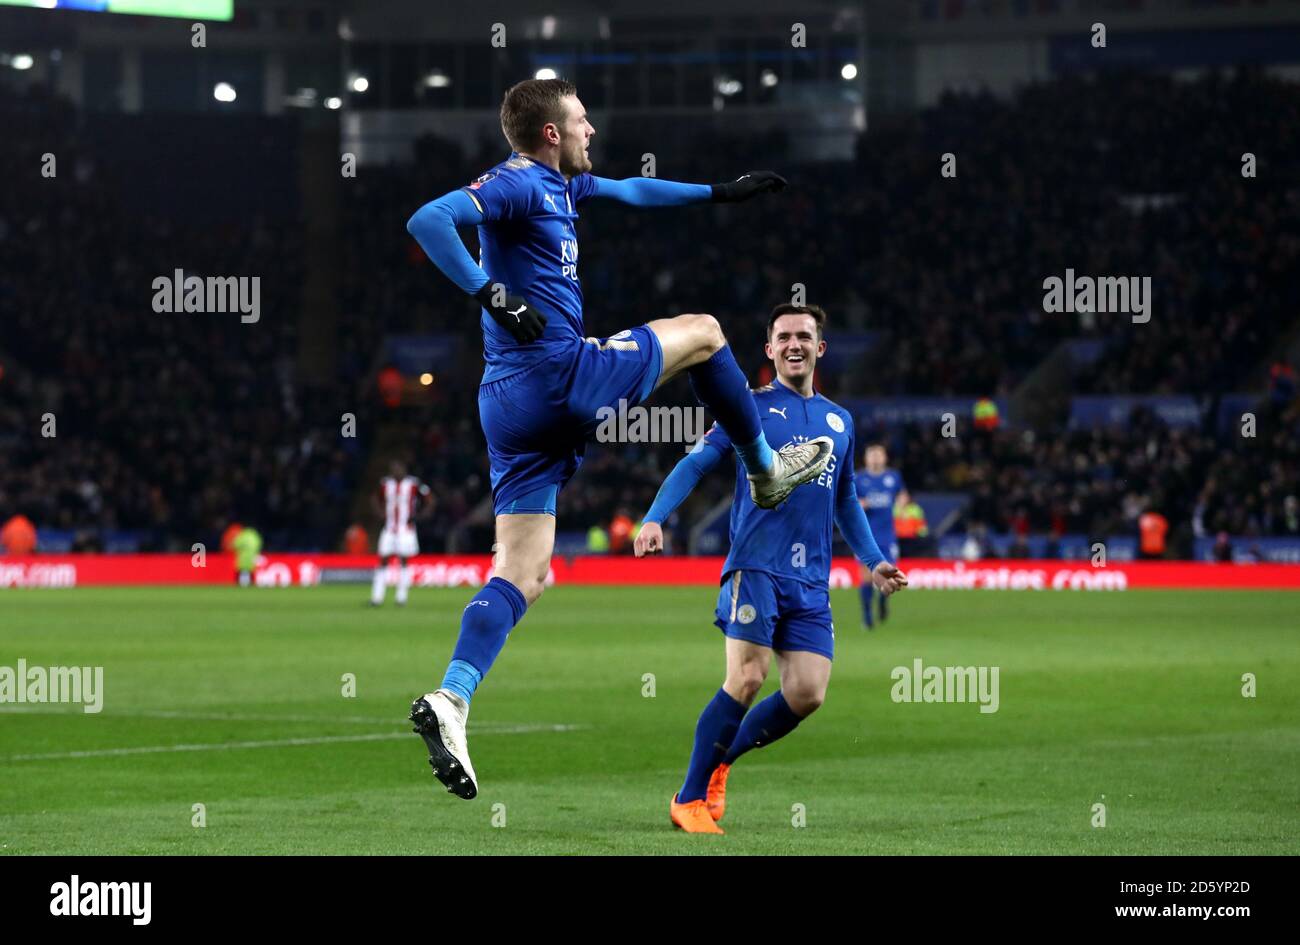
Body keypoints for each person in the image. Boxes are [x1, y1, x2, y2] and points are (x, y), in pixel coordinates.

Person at [402, 78, 834, 799]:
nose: (592, 129)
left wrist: (719, 194)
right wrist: (491, 292)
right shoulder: (514, 184)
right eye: (580, 120)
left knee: (525, 571)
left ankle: (452, 696)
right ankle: (764, 468)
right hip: (557, 373)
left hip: (505, 404)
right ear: (549, 134)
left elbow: (634, 190)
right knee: (706, 332)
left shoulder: (564, 187)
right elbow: (427, 220)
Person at [634, 304, 908, 834]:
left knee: (808, 692)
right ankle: (687, 799)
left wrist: (873, 561)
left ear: (820, 348)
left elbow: (846, 498)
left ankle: (720, 763)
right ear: (769, 350)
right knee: (748, 677)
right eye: (784, 337)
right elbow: (697, 461)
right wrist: (654, 517)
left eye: (804, 336)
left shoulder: (840, 420)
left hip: (811, 579)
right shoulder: (749, 408)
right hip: (756, 566)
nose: (794, 344)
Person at [854, 443, 908, 629]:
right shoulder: (858, 479)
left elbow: (902, 495)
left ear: (885, 457)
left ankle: (883, 603)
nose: (876, 458)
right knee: (866, 576)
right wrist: (860, 504)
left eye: (879, 454)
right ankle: (867, 615)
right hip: (865, 535)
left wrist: (901, 503)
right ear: (866, 458)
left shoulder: (893, 477)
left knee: (889, 574)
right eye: (872, 454)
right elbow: (850, 502)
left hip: (887, 535)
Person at [370, 460, 433, 607]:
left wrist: (421, 515)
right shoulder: (385, 483)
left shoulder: (413, 484)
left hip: (406, 529)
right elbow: (374, 497)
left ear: (404, 469)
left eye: (398, 468)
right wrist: (379, 513)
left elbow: (430, 499)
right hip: (389, 528)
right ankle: (377, 598)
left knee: (403, 560)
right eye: (393, 469)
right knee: (383, 559)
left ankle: (401, 598)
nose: (395, 471)